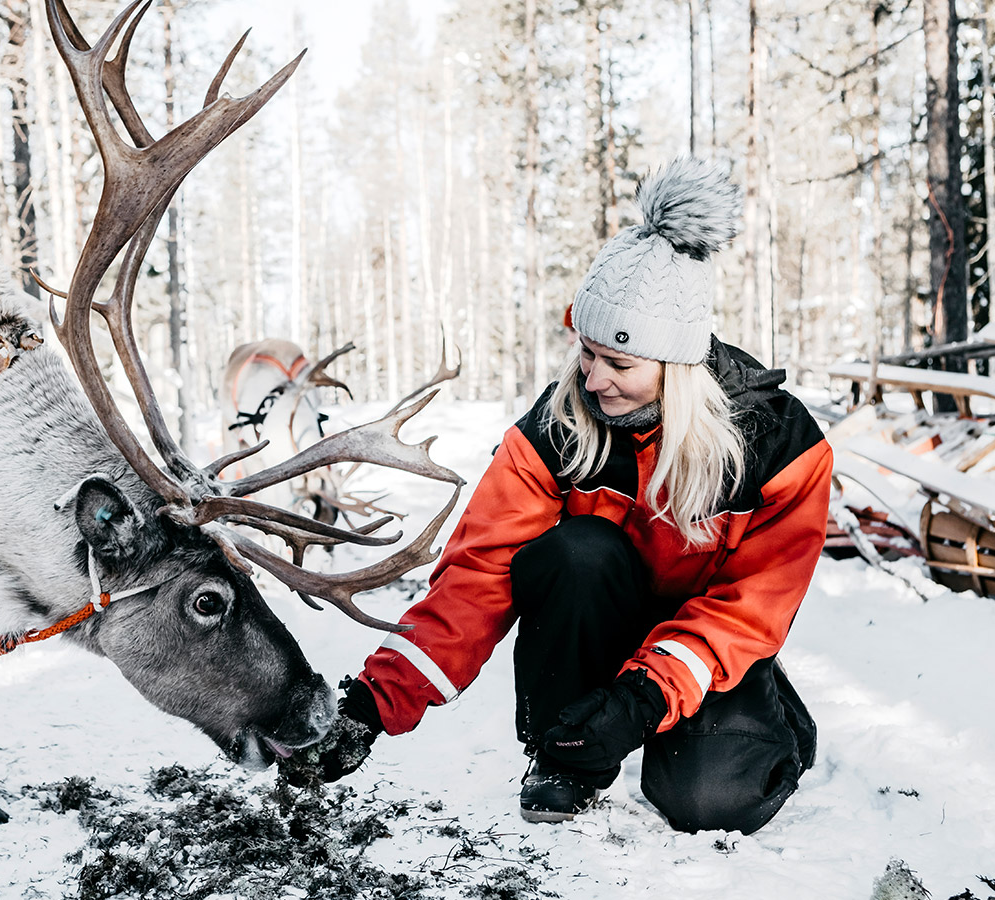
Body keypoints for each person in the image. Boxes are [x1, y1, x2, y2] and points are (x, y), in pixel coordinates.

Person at [293, 157, 833, 835]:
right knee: (576, 552)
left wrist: (640, 699)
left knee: (710, 804)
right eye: (587, 351)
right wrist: (372, 706)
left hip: (707, 640)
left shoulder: (780, 441)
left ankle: (765, 716)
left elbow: (753, 604)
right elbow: (475, 579)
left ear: (678, 364)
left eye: (620, 363)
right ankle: (564, 757)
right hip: (596, 620)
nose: (594, 379)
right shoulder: (558, 426)